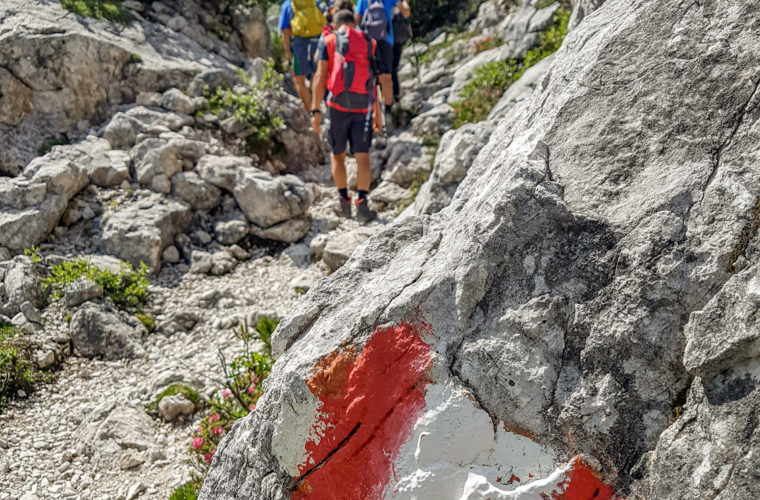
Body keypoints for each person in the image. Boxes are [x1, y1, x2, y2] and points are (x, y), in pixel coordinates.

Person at [311, 9, 379, 223]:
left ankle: (344, 202)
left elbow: (321, 76)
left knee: (337, 155)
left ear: (335, 23)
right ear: (354, 22)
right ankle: (363, 204)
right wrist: (377, 113)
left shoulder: (329, 40)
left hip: (337, 107)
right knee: (363, 157)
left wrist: (315, 112)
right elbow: (373, 79)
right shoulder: (368, 41)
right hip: (363, 108)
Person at [355, 0, 410, 130]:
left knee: (371, 79)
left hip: (367, 42)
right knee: (386, 77)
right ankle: (388, 112)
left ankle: (375, 116)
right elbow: (406, 12)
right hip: (386, 39)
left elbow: (357, 19)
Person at [279, 0, 327, 111]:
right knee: (317, 75)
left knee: (298, 79)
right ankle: (317, 109)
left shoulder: (288, 4)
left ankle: (309, 110)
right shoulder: (314, 2)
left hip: (299, 44)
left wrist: (288, 52)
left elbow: (285, 31)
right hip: (317, 41)